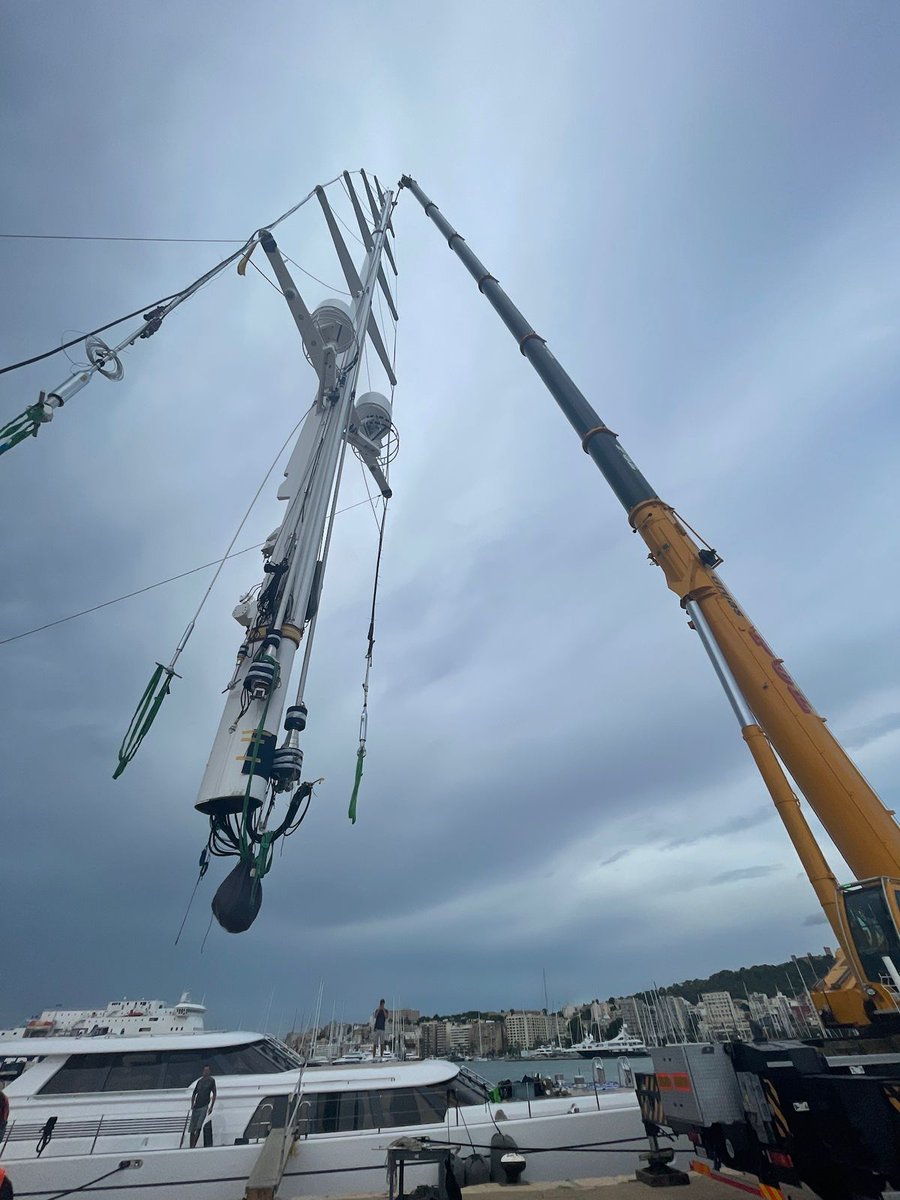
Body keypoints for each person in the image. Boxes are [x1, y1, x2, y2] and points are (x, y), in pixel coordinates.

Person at [188, 1066, 216, 1148]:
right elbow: (194, 1093)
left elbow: (214, 1093)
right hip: (196, 1106)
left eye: (207, 1070)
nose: (206, 1072)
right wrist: (192, 1104)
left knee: (198, 1127)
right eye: (205, 1070)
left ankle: (194, 1144)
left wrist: (211, 1106)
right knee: (192, 1128)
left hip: (204, 1106)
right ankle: (191, 1146)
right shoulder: (199, 1081)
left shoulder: (211, 1081)